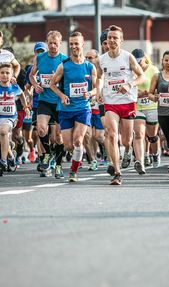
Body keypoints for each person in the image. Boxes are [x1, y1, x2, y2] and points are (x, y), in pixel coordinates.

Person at [94, 25, 145, 185]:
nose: (112, 40)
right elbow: (99, 77)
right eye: (109, 38)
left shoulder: (127, 57)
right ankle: (117, 172)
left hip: (127, 102)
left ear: (121, 41)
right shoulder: (100, 60)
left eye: (115, 38)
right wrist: (98, 90)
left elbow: (141, 77)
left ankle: (128, 151)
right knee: (112, 134)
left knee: (126, 140)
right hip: (110, 102)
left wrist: (129, 85)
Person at [50, 32, 98, 182]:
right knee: (68, 145)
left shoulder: (90, 67)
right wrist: (62, 96)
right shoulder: (64, 66)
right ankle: (77, 156)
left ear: (83, 44)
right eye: (71, 44)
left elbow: (97, 89)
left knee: (78, 140)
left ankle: (73, 171)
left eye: (76, 44)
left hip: (83, 109)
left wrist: (90, 93)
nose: (73, 47)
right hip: (65, 110)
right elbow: (52, 84)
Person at [29, 30, 69, 178]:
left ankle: (58, 166)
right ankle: (46, 154)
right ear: (47, 43)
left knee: (58, 137)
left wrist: (59, 84)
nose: (53, 46)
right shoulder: (40, 58)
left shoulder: (65, 60)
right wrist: (36, 85)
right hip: (44, 99)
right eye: (50, 43)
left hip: (58, 101)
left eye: (55, 43)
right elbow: (31, 75)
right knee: (40, 130)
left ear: (60, 44)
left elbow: (70, 80)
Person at [0, 63, 29, 176]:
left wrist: (25, 106)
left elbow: (22, 94)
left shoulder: (14, 87)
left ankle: (3, 160)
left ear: (12, 74)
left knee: (4, 133)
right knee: (3, 139)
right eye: (2, 73)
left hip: (11, 118)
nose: (5, 75)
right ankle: (11, 157)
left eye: (7, 73)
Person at [132, 48, 160, 174]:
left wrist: (149, 94)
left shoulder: (153, 70)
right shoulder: (131, 71)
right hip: (137, 106)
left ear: (145, 58)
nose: (138, 64)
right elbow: (130, 89)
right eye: (136, 62)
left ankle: (155, 154)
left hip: (151, 106)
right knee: (139, 134)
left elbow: (157, 89)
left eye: (140, 61)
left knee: (152, 136)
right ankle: (140, 161)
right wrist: (140, 93)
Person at [84, 49, 105, 171]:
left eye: (91, 58)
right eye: (87, 57)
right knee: (88, 136)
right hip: (86, 108)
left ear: (97, 58)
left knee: (98, 136)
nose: (88, 60)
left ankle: (107, 150)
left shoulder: (101, 71)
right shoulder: (83, 70)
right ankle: (92, 160)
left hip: (99, 108)